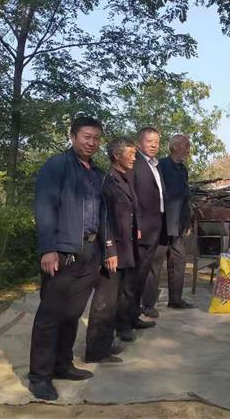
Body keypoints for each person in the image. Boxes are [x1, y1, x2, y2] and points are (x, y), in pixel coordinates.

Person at [28, 116, 105, 401]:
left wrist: (104, 250)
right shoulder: (57, 165)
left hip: (89, 251)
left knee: (72, 314)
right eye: (86, 136)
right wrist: (48, 248)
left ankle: (62, 364)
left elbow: (103, 213)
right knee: (50, 316)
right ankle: (39, 377)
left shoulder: (97, 173)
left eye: (96, 138)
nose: (92, 142)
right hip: (61, 251)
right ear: (72, 136)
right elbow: (45, 207)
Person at [86, 137, 141, 362]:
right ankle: (96, 351)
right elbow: (104, 218)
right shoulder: (107, 181)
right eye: (131, 153)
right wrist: (110, 250)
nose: (135, 158)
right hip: (112, 250)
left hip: (125, 246)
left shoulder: (124, 179)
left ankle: (105, 342)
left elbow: (128, 211)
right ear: (116, 155)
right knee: (104, 302)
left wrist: (135, 229)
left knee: (116, 297)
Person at [133, 126, 167, 319]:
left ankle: (147, 304)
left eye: (157, 142)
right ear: (140, 143)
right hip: (141, 227)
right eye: (149, 141)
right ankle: (132, 310)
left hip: (158, 225)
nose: (154, 145)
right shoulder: (134, 164)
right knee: (137, 270)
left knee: (152, 267)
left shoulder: (156, 165)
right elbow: (132, 197)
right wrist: (135, 224)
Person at [158, 134, 195, 309]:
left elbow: (185, 198)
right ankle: (146, 304)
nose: (188, 150)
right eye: (186, 146)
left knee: (179, 261)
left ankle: (175, 299)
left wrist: (187, 221)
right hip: (162, 224)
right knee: (155, 264)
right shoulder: (162, 166)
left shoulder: (183, 169)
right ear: (175, 147)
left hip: (178, 225)